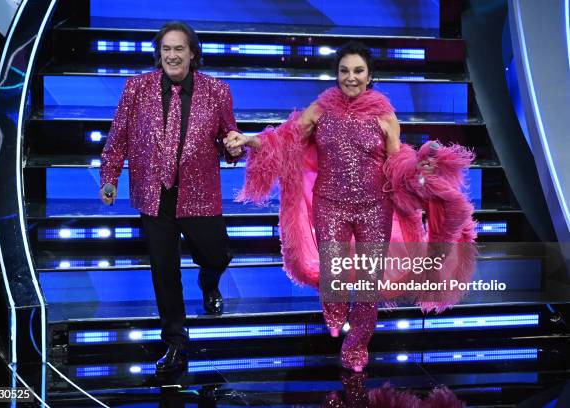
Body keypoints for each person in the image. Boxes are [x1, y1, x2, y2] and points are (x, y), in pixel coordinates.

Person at [225, 41, 476, 372]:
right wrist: (252, 140)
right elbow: (286, 138)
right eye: (344, 70)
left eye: (358, 71)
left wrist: (418, 167)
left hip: (375, 208)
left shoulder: (385, 116)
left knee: (369, 284)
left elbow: (397, 159)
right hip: (330, 204)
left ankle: (356, 345)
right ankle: (335, 307)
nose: (351, 77)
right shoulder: (322, 109)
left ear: (370, 75)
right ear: (337, 74)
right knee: (334, 273)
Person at [99, 21, 242, 374]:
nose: (172, 55)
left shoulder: (217, 91)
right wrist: (110, 177)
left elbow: (230, 139)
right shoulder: (136, 88)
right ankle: (176, 344)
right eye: (167, 49)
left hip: (199, 194)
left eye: (179, 48)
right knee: (165, 272)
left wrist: (234, 147)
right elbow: (117, 138)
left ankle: (209, 282)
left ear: (193, 53)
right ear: (158, 54)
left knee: (218, 254)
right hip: (154, 195)